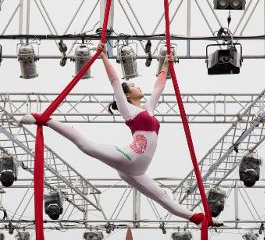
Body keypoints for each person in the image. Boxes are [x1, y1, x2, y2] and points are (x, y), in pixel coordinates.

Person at [20, 42, 209, 226]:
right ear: (127, 95)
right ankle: (42, 119)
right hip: (127, 157)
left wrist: (166, 64)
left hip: (137, 170)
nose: (138, 87)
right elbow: (116, 82)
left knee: (164, 199)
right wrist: (103, 57)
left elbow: (159, 87)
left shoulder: (148, 109)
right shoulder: (127, 109)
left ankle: (198, 219)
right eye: (134, 86)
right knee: (86, 146)